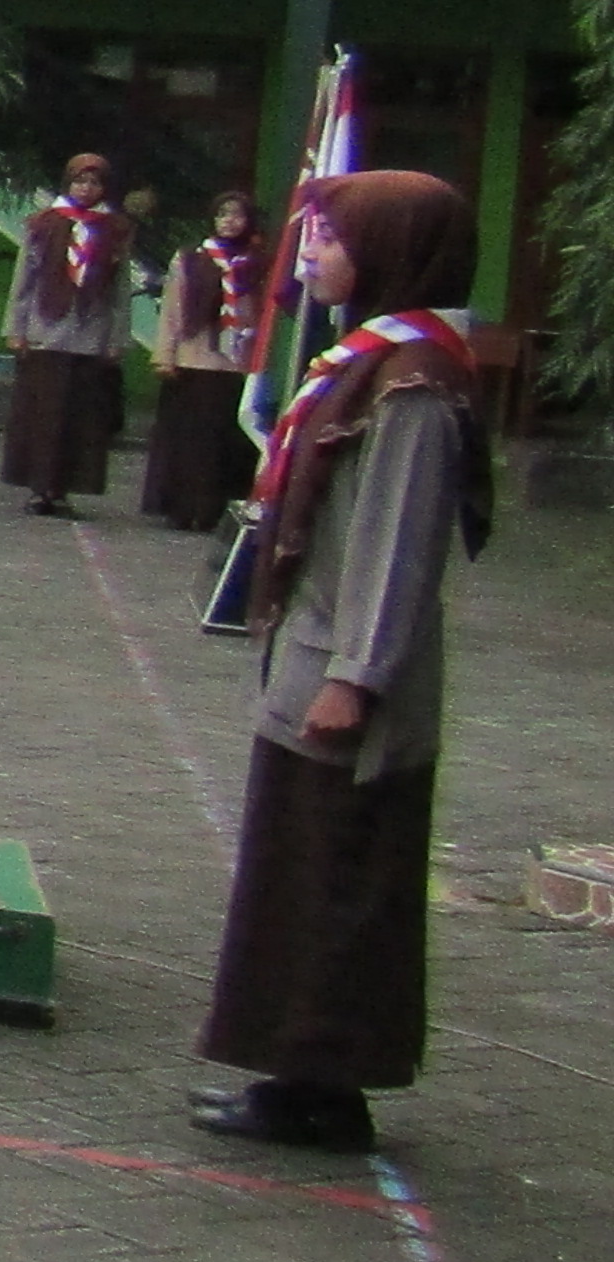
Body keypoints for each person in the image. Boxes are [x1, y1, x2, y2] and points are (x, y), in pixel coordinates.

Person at [191, 170, 488, 1151]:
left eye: (328, 237)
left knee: (338, 878)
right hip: (310, 656)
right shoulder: (368, 359)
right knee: (300, 873)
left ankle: (323, 1087)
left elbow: (395, 546)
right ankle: (296, 1074)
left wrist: (354, 677)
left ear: (394, 250)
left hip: (346, 678)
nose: (308, 253)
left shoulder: (413, 384)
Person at [0, 151, 129, 518]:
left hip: (90, 335)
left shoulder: (114, 229)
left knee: (78, 416)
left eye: (94, 183)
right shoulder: (45, 223)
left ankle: (64, 487)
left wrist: (116, 338)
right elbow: (24, 280)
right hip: (46, 331)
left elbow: (119, 291)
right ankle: (39, 486)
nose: (86, 189)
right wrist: (16, 328)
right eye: (79, 181)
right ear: (67, 184)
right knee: (42, 412)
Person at [144, 187, 265, 529]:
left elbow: (262, 314)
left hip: (234, 364)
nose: (229, 221)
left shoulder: (257, 264)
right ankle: (181, 507)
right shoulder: (191, 259)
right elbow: (172, 309)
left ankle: (214, 509)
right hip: (192, 361)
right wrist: (164, 355)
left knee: (223, 444)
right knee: (188, 441)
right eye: (222, 214)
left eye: (237, 215)